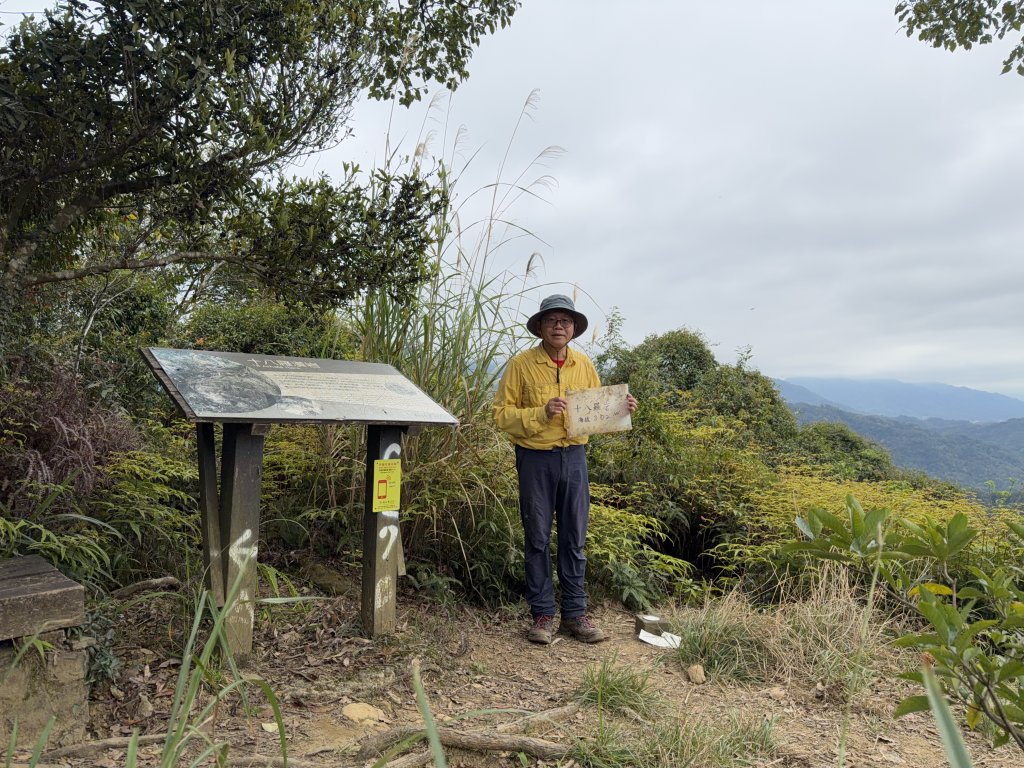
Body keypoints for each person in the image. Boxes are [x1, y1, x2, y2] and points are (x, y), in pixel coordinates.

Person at [494, 294, 638, 644]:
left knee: (575, 537)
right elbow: (500, 415)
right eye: (552, 320)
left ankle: (575, 615)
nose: (559, 326)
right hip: (535, 458)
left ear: (573, 329)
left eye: (566, 321)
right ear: (540, 327)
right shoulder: (521, 364)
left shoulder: (583, 364)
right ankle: (543, 615)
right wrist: (540, 413)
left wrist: (623, 408)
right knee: (538, 538)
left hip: (574, 458)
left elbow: (596, 412)